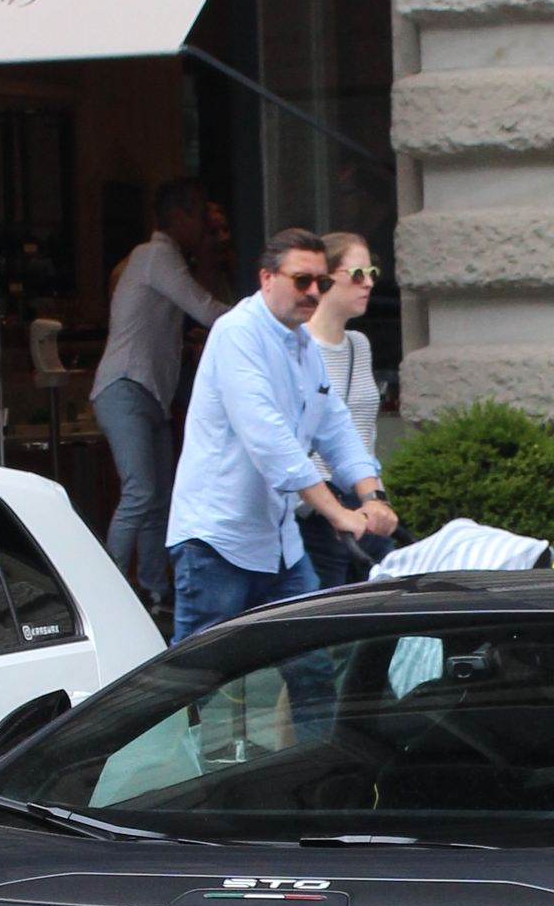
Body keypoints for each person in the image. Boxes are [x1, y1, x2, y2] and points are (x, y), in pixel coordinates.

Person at [166, 225, 395, 641]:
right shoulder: (237, 333)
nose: (312, 291)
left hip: (278, 543)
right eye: (301, 280)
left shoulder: (303, 345)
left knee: (311, 665)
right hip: (218, 541)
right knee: (197, 675)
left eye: (321, 282)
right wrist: (337, 512)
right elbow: (270, 441)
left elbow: (337, 428)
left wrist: (371, 496)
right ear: (266, 278)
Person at [90, 176, 224, 614]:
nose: (207, 225)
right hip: (125, 386)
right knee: (140, 492)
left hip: (148, 392)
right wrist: (261, 319)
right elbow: (202, 306)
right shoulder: (155, 255)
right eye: (203, 215)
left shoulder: (161, 260)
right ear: (181, 216)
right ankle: (105, 591)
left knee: (157, 498)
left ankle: (153, 590)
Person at [304, 232, 384, 591]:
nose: (367, 282)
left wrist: (376, 497)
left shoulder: (359, 346)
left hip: (367, 505)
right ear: (326, 278)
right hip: (318, 511)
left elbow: (364, 432)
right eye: (356, 273)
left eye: (372, 272)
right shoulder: (298, 347)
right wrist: (333, 509)